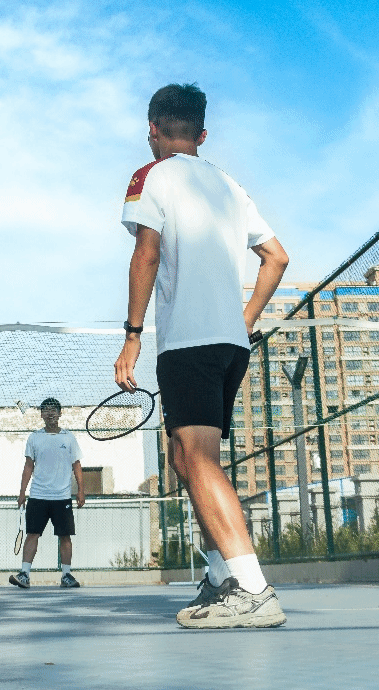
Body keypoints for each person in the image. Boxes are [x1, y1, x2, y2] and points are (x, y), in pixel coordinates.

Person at [113, 83, 289, 629]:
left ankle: (253, 589)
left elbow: (146, 253)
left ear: (152, 130)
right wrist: (245, 320)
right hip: (229, 345)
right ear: (202, 134)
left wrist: (132, 335)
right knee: (183, 458)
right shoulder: (230, 185)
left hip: (189, 341)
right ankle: (219, 575)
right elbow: (277, 258)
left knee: (200, 460)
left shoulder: (152, 176)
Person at [9, 397, 85, 590]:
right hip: (38, 496)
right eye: (46, 410)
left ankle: (66, 576)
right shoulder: (34, 437)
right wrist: (22, 492)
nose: (50, 414)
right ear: (41, 415)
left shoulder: (69, 438)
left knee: (65, 537)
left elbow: (77, 465)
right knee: (32, 534)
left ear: (60, 414)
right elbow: (28, 466)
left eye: (54, 410)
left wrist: (81, 491)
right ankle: (24, 574)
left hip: (62, 497)